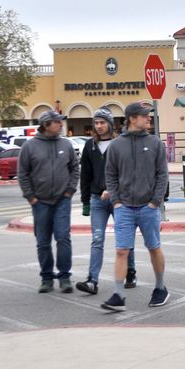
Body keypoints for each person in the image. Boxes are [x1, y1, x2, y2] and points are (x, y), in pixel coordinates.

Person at [102, 101, 170, 311]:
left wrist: (154, 203)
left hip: (147, 207)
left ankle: (160, 288)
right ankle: (118, 295)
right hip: (124, 209)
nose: (149, 118)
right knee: (122, 250)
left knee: (153, 247)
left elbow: (162, 175)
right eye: (144, 115)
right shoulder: (116, 145)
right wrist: (117, 202)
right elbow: (110, 176)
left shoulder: (155, 143)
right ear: (132, 118)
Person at [18, 109, 80, 294]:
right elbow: (23, 174)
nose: (61, 124)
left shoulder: (66, 145)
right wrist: (31, 198)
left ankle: (64, 277)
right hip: (40, 202)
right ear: (46, 125)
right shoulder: (29, 147)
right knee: (43, 241)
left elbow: (74, 168)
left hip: (62, 200)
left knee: (63, 237)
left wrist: (69, 191)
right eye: (57, 122)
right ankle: (46, 277)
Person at [76, 109, 136, 296]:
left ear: (110, 123)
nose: (99, 126)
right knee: (97, 239)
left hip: (119, 199)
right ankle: (92, 280)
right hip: (97, 200)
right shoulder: (90, 146)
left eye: (102, 122)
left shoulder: (120, 144)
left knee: (123, 238)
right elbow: (85, 175)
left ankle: (130, 272)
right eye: (96, 123)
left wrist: (113, 190)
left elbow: (127, 172)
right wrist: (85, 201)